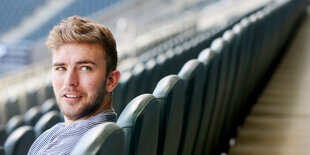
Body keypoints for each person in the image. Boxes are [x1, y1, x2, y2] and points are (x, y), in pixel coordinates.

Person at [28, 16, 121, 154]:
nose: (69, 81)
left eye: (85, 68)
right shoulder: (57, 133)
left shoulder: (77, 148)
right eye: (61, 68)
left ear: (111, 80)